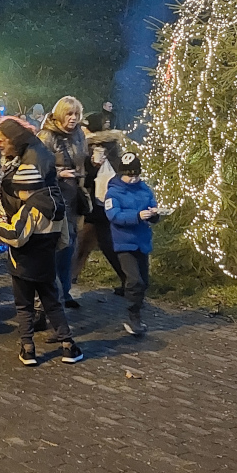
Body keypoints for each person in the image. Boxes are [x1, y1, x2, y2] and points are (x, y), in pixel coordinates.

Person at [0, 117, 84, 366]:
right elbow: (64, 240)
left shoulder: (28, 211)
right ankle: (69, 346)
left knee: (24, 308)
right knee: (53, 304)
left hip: (23, 265)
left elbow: (16, 237)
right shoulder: (56, 206)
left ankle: (28, 348)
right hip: (46, 266)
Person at [38, 96, 89, 308]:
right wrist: (59, 173)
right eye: (69, 114)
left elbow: (82, 160)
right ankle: (51, 294)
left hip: (73, 195)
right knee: (57, 246)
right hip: (54, 197)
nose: (73, 118)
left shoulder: (79, 135)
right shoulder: (46, 136)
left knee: (70, 245)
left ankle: (65, 292)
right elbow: (37, 166)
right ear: (60, 114)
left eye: (76, 114)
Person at [104, 152, 160, 337]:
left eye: (136, 175)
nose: (133, 179)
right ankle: (132, 316)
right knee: (134, 280)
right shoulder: (113, 192)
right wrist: (136, 216)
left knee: (143, 281)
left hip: (142, 241)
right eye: (129, 175)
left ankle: (137, 308)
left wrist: (154, 214)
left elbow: (152, 204)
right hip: (124, 243)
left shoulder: (144, 189)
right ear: (121, 174)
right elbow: (114, 216)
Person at [79, 134, 127, 294]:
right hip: (99, 209)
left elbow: (89, 181)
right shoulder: (96, 157)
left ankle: (129, 279)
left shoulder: (113, 159)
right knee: (100, 244)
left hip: (102, 209)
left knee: (107, 244)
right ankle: (129, 279)